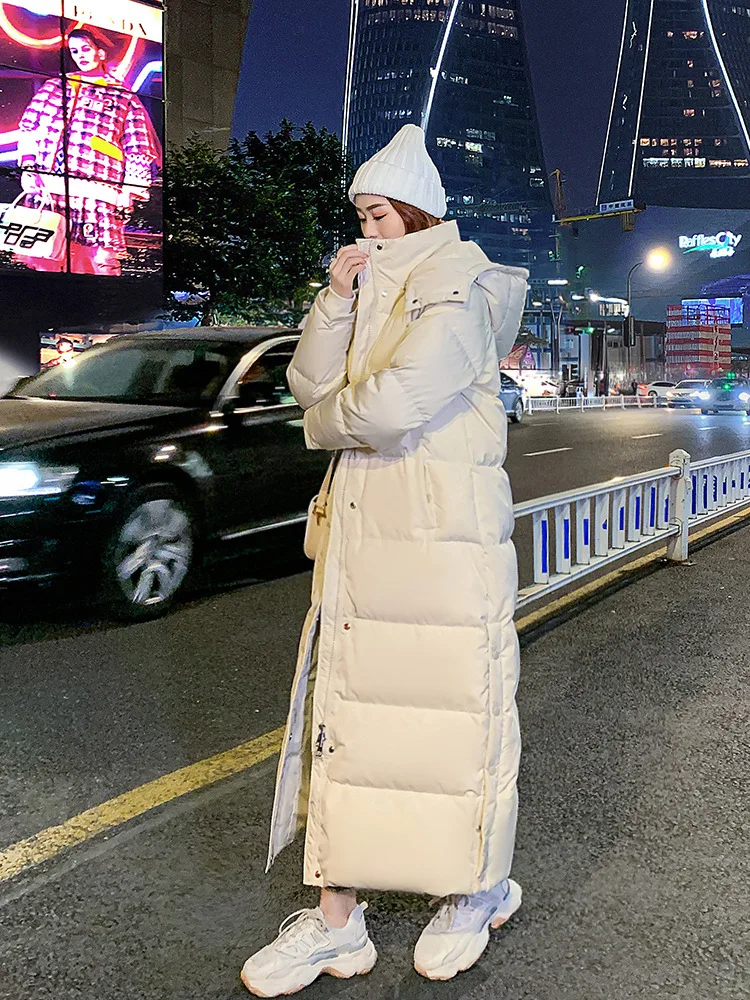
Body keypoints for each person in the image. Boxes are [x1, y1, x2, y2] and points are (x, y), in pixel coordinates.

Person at [241, 124, 528, 997]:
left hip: (444, 549)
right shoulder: (379, 282)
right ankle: (336, 923)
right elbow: (308, 380)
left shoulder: (461, 286)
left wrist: (323, 422)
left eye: (376, 215)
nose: (364, 230)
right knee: (350, 725)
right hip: (368, 540)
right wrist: (334, 300)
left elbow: (390, 406)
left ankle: (475, 889)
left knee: (455, 722)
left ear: (415, 212)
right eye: (359, 216)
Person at [15, 27, 161, 276]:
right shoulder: (54, 87)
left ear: (100, 53)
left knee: (96, 258)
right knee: (47, 253)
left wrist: (129, 191)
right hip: (49, 187)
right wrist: (29, 168)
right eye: (74, 51)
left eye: (85, 49)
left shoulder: (121, 94)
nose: (80, 55)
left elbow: (138, 143)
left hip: (98, 187)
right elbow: (30, 128)